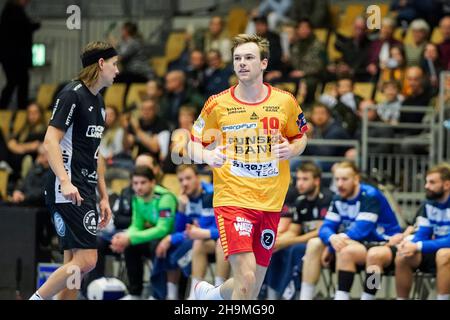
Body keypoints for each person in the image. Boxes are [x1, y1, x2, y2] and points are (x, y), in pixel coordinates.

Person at [188, 34, 308, 300]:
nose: (242, 63)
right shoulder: (217, 104)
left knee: (250, 286)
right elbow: (192, 144)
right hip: (233, 199)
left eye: (249, 57)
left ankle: (213, 295)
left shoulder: (285, 101)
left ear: (264, 63)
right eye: (237, 58)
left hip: (270, 202)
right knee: (248, 276)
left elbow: (301, 137)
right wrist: (206, 157)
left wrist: (291, 149)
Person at [29, 41, 118, 300]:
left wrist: (103, 195)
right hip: (68, 189)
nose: (117, 70)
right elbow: (49, 141)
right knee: (88, 260)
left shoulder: (99, 102)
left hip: (86, 188)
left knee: (74, 267)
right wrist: (66, 182)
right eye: (114, 64)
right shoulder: (72, 94)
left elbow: (95, 153)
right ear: (101, 64)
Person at [299, 161, 401, 300]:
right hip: (355, 243)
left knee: (370, 255)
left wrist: (331, 246)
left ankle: (368, 297)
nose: (340, 184)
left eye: (345, 179)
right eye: (337, 179)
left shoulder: (370, 195)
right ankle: (307, 297)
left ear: (356, 179)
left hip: (383, 242)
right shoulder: (338, 198)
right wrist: (331, 239)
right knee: (314, 243)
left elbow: (361, 230)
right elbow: (326, 228)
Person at [264, 162, 332, 299]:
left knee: (296, 249)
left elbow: (321, 231)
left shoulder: (327, 198)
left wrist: (288, 241)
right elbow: (294, 230)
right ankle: (271, 295)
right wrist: (279, 241)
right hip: (304, 241)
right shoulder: (301, 201)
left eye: (305, 179)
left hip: (324, 243)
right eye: (298, 179)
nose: (299, 183)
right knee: (274, 247)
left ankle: (294, 294)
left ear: (317, 181)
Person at [110, 166, 177, 300]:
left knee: (155, 246)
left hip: (171, 239)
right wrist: (125, 237)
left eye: (143, 183)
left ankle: (158, 295)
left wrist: (131, 237)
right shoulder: (137, 199)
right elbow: (136, 225)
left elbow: (163, 229)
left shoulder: (165, 197)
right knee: (130, 246)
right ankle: (135, 293)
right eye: (135, 183)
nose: (138, 187)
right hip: (153, 237)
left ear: (152, 182)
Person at [395, 163, 450, 300]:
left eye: (432, 182)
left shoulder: (370, 196)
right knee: (395, 256)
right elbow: (422, 233)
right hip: (384, 244)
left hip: (376, 245)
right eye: (426, 182)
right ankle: (365, 294)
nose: (426, 186)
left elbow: (361, 229)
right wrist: (409, 243)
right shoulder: (429, 203)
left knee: (375, 256)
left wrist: (415, 244)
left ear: (447, 185)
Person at [0, 0, 40, 109]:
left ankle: (9, 106)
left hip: (11, 56)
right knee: (17, 81)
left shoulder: (11, 11)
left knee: (16, 81)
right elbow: (21, 28)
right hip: (14, 57)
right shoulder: (13, 11)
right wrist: (34, 25)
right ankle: (12, 107)